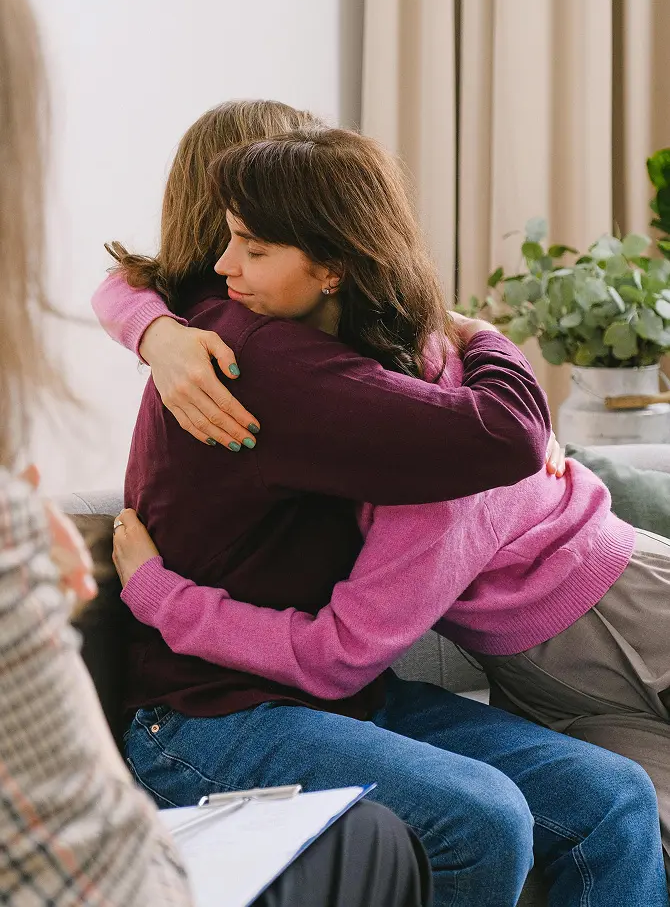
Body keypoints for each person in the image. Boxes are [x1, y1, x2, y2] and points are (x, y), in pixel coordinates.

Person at [97, 120, 668, 906]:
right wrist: (159, 594)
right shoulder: (253, 355)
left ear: (334, 254)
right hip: (211, 715)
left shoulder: (348, 357)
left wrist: (150, 326)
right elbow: (506, 434)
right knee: (483, 816)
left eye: (254, 244)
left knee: (613, 796)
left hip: (346, 696)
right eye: (234, 237)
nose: (229, 265)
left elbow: (497, 434)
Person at [0, 0, 434, 906]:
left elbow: (127, 280)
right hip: (226, 704)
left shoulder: (235, 330)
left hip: (267, 689)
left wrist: (150, 327)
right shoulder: (251, 346)